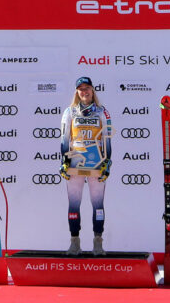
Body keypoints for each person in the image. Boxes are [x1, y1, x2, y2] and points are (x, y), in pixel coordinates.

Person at [59, 76, 112, 256]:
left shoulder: (102, 112)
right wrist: (64, 163)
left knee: (98, 204)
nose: (84, 92)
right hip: (75, 163)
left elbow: (107, 140)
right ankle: (75, 242)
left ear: (92, 90)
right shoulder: (70, 112)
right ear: (77, 92)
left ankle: (98, 243)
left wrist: (107, 163)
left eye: (87, 88)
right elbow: (65, 139)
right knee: (74, 205)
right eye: (80, 89)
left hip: (96, 163)